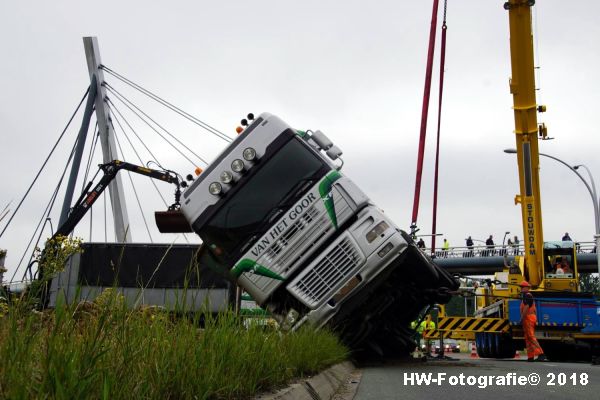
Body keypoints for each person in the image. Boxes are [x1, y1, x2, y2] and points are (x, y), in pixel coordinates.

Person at [519, 281, 547, 362]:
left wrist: (521, 318)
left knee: (530, 336)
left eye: (522, 287)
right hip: (529, 318)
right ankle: (530, 356)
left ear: (527, 288)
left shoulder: (527, 296)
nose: (521, 288)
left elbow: (526, 308)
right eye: (521, 287)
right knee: (528, 338)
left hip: (528, 318)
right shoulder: (526, 296)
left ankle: (541, 354)